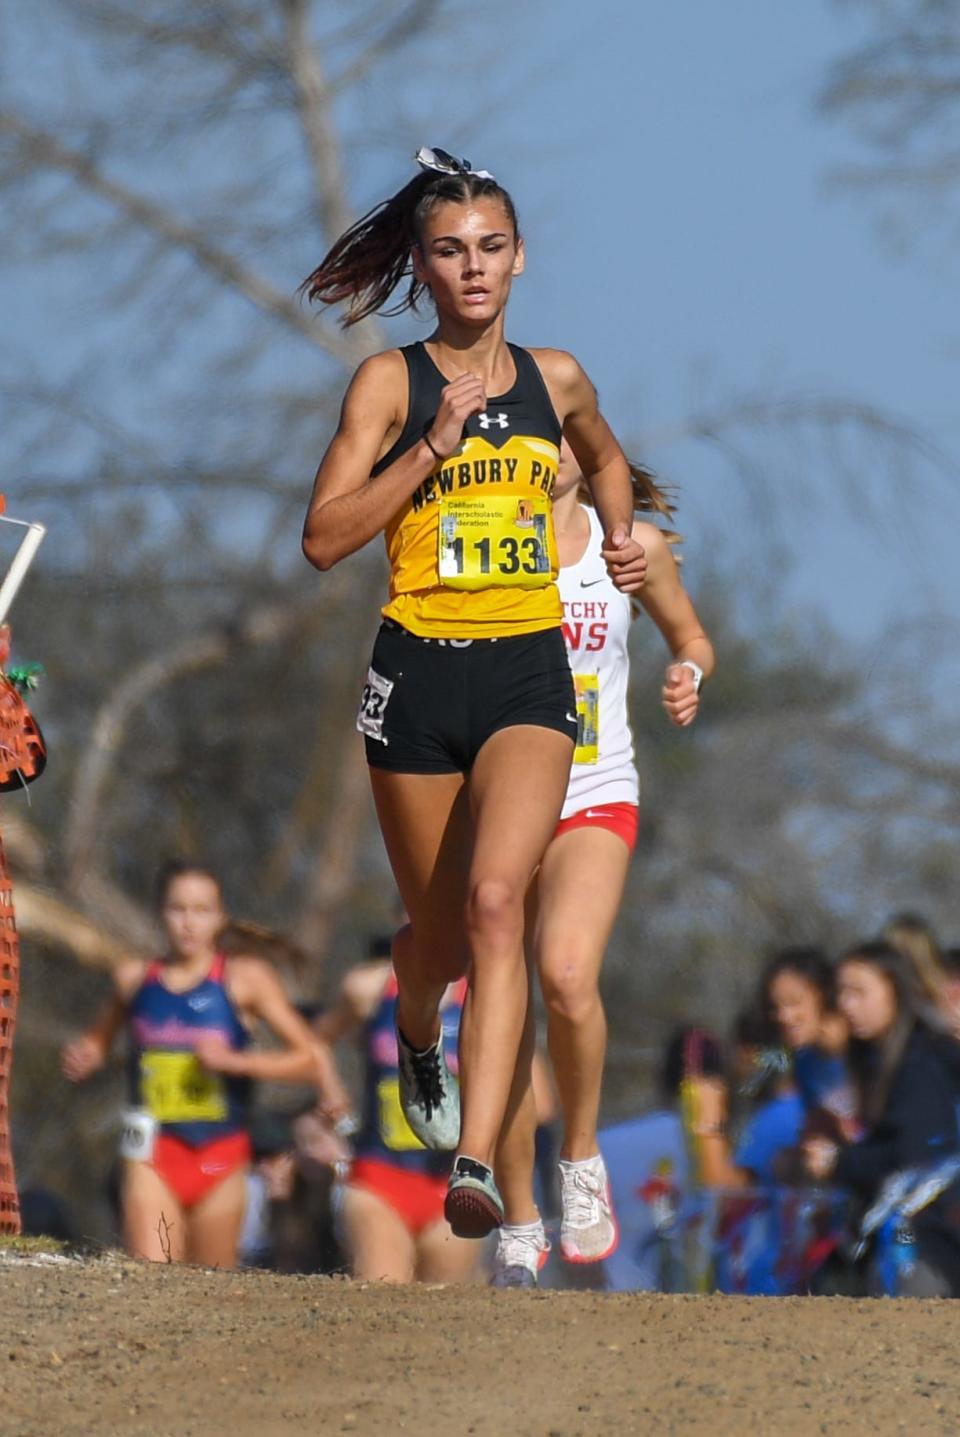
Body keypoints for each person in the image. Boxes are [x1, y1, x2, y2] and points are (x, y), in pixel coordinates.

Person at [300, 146, 646, 1236]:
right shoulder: (388, 384)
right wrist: (427, 454)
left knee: (503, 907)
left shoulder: (558, 377)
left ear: (520, 257)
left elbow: (610, 458)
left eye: (491, 248)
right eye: (450, 252)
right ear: (424, 264)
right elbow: (322, 540)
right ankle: (415, 1026)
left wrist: (623, 536)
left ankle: (478, 1160)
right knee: (441, 942)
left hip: (527, 671)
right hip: (415, 676)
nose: (474, 269)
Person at [489, 445, 714, 1282]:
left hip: (594, 788)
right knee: (500, 1012)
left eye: (554, 435)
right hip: (501, 801)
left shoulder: (633, 550)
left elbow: (690, 633)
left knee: (568, 974)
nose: (535, 452)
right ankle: (518, 1217)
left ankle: (579, 1158)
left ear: (590, 453)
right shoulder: (483, 537)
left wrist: (687, 667)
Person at [61, 861, 322, 1267]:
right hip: (151, 1154)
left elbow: (309, 1060)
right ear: (160, 914)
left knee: (207, 1290)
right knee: (151, 1281)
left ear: (220, 917)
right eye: (177, 909)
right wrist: (87, 1054)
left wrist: (235, 1062)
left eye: (201, 910)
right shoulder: (133, 979)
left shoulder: (244, 978)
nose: (189, 923)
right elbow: (98, 1040)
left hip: (222, 1156)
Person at [316, 936, 478, 1283]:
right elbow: (315, 1041)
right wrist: (331, 1094)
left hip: (451, 1186)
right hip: (378, 1179)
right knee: (382, 1302)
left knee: (448, 1318)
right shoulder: (368, 988)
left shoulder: (482, 995)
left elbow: (537, 1098)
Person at [803, 940, 960, 1297]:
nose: (846, 1004)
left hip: (932, 1249)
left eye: (859, 992)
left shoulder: (922, 1061)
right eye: (841, 993)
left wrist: (839, 1161)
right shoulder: (882, 1060)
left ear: (895, 990)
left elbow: (918, 1156)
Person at [762, 947, 856, 1142]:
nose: (784, 1016)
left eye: (794, 1002)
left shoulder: (863, 1046)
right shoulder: (804, 1062)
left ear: (824, 994)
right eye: (775, 1007)